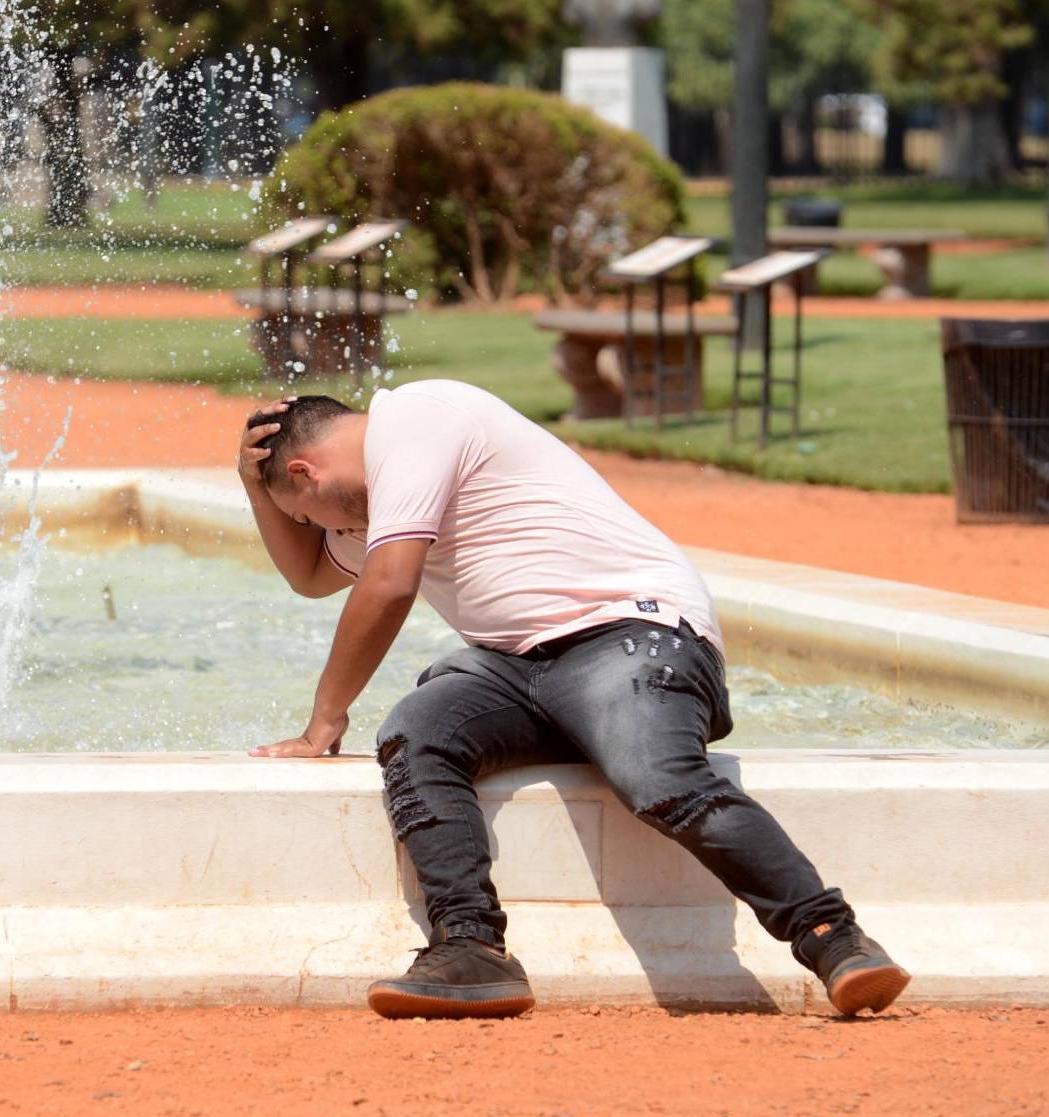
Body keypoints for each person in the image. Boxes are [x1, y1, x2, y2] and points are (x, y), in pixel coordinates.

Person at [237, 382, 909, 1020]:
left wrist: (324, 718)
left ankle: (833, 935)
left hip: (632, 632)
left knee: (655, 773)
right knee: (417, 731)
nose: (312, 530)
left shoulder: (417, 418)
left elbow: (389, 585)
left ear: (306, 472)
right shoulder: (371, 505)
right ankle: (471, 947)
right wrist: (252, 485)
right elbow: (310, 576)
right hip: (520, 668)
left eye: (303, 515)